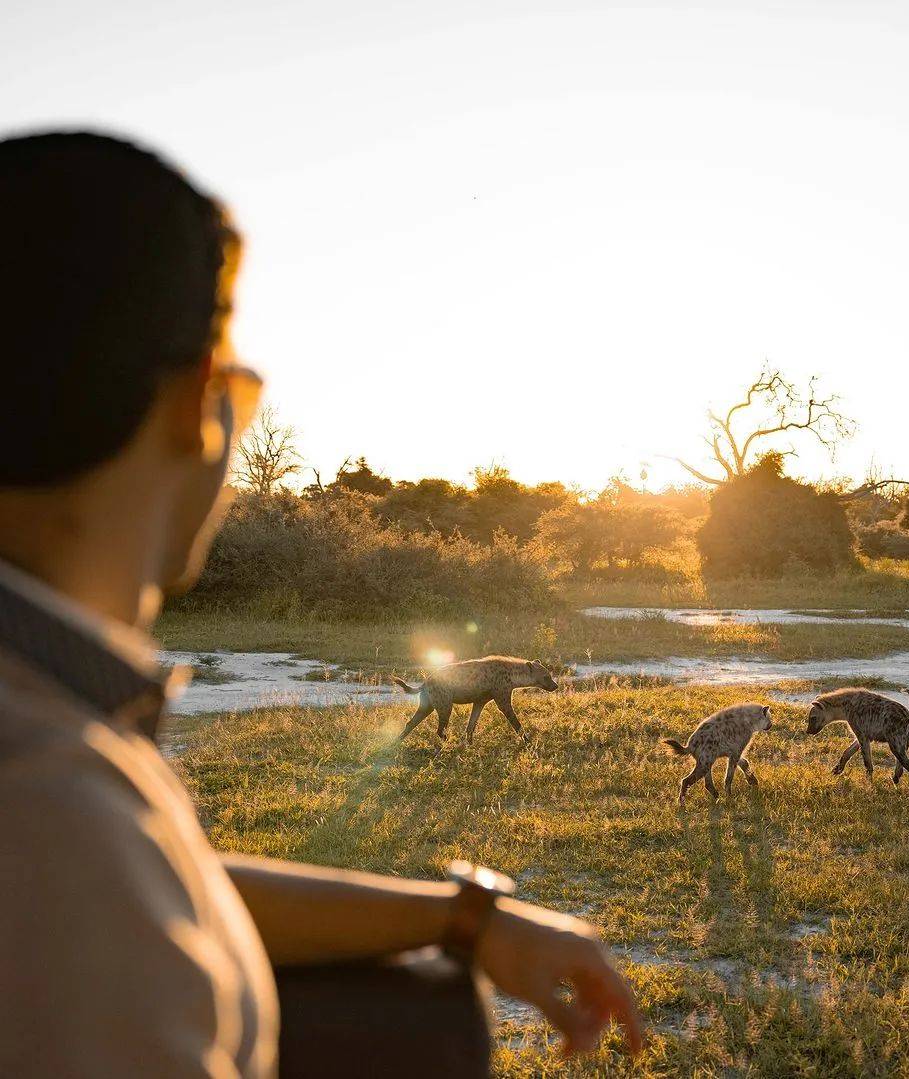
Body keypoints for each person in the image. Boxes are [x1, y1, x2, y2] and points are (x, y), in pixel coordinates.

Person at [0, 131, 642, 1076]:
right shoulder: (47, 791)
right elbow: (90, 875)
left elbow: (149, 886)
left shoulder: (52, 758)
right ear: (195, 405)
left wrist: (465, 919)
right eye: (242, 390)